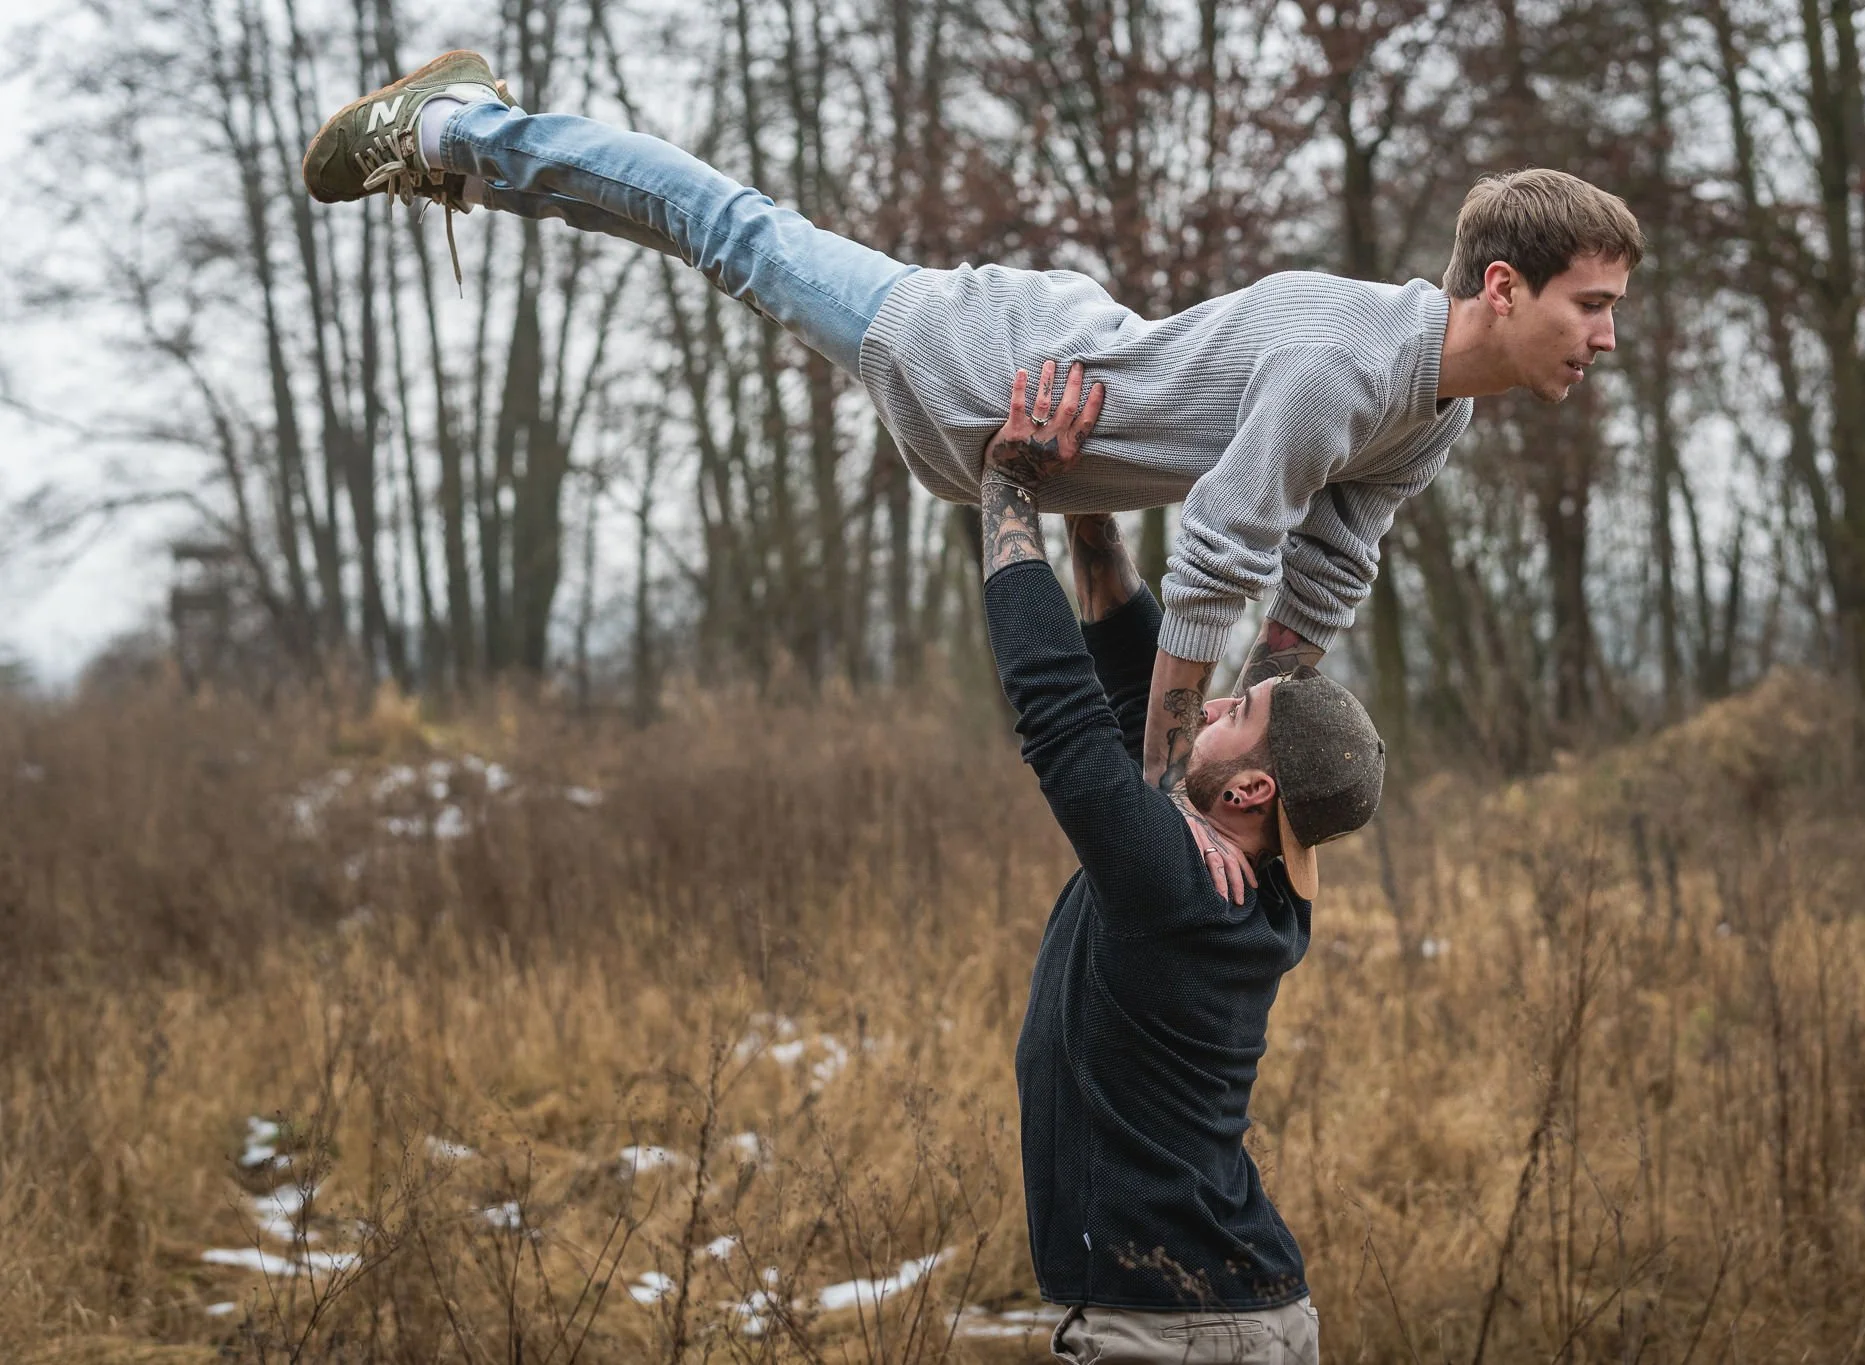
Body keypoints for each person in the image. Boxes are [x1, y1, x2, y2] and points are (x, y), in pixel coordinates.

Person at [302, 52, 1641, 897]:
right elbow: (1220, 566)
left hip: (1047, 391)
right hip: (982, 367)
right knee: (728, 225)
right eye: (1590, 305)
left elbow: (1323, 580)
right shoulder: (1351, 362)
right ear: (1505, 286)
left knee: (723, 237)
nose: (1606, 337)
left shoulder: (1431, 408)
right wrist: (1165, 798)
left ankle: (460, 142)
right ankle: (464, 130)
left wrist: (1261, 732)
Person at [970, 359, 1378, 1363]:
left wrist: (1007, 487)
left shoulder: (1180, 885)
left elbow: (1062, 713)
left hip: (1176, 1332)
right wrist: (1086, 507)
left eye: (1232, 711)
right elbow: (1130, 688)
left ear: (1248, 795)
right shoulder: (1248, 880)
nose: (1204, 706)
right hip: (1225, 1313)